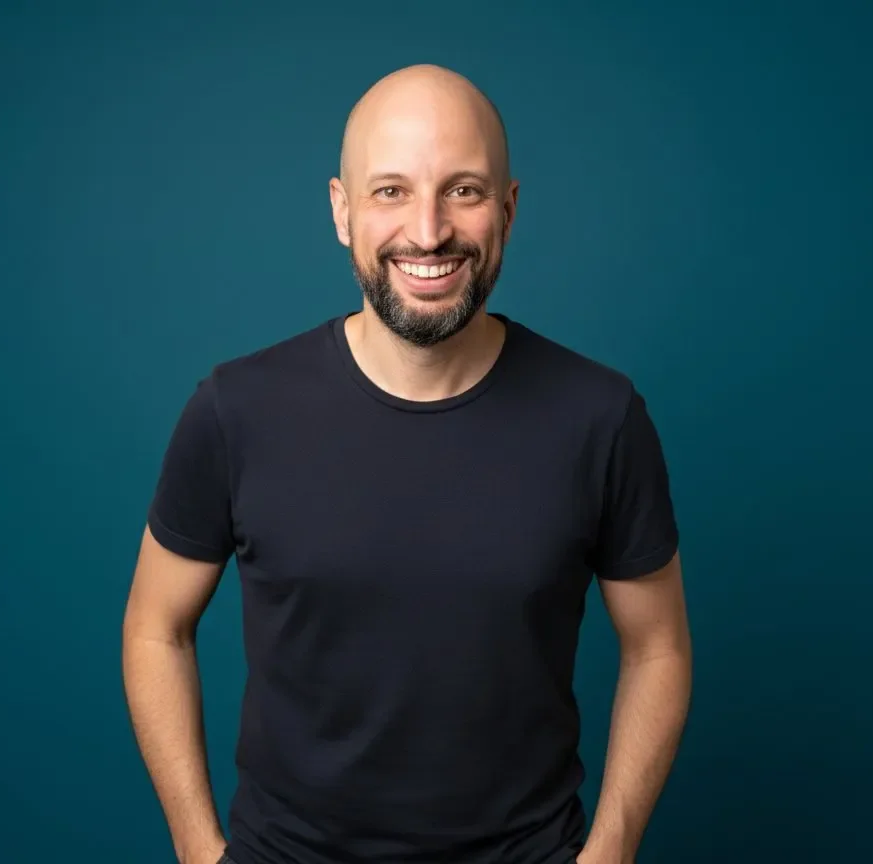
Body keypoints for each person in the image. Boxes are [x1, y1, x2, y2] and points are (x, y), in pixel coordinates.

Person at [122, 63, 692, 864]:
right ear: (342, 211)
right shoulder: (234, 410)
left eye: (463, 190)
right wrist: (196, 846)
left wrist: (613, 849)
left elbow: (659, 647)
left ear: (509, 209)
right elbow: (155, 626)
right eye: (390, 190)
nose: (428, 232)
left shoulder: (601, 417)